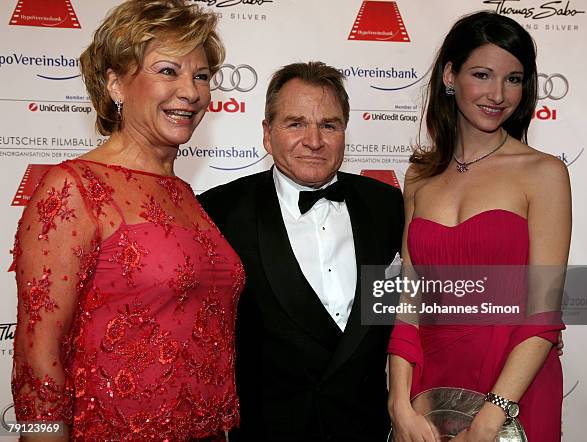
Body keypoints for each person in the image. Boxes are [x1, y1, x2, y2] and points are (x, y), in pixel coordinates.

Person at [11, 1, 243, 440]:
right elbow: (37, 358)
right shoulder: (73, 188)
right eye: (168, 71)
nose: (191, 92)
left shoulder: (186, 196)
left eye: (201, 75)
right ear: (116, 83)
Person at [387, 11, 571, 442]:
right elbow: (410, 300)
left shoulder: (543, 173)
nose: (498, 94)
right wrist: (398, 400)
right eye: (483, 74)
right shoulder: (420, 176)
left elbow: (543, 312)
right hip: (429, 390)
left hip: (515, 389)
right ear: (450, 75)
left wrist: (493, 417)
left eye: (514, 79)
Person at [198, 61, 404, 442]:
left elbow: (418, 310)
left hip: (368, 430)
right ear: (267, 133)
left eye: (329, 125)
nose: (314, 140)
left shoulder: (390, 207)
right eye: (296, 124)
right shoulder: (218, 213)